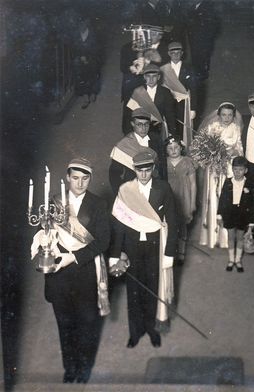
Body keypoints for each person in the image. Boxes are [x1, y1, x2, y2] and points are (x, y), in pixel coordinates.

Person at [32, 158, 110, 383]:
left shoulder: (97, 205)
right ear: (67, 178)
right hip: (59, 275)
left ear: (90, 179)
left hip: (84, 273)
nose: (80, 183)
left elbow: (103, 241)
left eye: (85, 178)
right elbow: (42, 231)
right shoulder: (54, 202)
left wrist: (74, 257)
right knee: (64, 324)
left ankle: (84, 368)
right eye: (75, 178)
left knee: (87, 324)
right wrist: (44, 239)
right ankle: (70, 367)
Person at [109, 149, 178, 349]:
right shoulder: (125, 190)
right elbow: (119, 225)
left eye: (148, 170)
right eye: (140, 171)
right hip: (131, 247)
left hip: (155, 245)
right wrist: (115, 255)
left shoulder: (163, 189)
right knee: (133, 290)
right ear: (134, 170)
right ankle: (135, 332)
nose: (144, 175)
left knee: (153, 288)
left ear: (153, 169)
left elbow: (172, 221)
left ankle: (152, 330)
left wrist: (170, 252)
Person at [198, 102, 244, 249]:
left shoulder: (236, 129)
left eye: (230, 115)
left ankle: (226, 238)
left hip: (229, 168)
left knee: (228, 198)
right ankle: (212, 236)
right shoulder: (212, 128)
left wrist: (233, 153)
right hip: (215, 168)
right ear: (218, 115)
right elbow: (204, 148)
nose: (227, 117)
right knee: (213, 197)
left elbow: (240, 149)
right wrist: (214, 155)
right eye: (224, 114)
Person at [109, 108, 166, 195]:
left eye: (146, 124)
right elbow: (114, 175)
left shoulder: (156, 140)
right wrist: (121, 193)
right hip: (132, 189)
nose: (143, 128)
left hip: (154, 188)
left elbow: (162, 165)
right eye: (139, 124)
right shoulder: (123, 145)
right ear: (132, 124)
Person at [217, 156, 254, 272]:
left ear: (245, 170)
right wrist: (219, 215)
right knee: (230, 237)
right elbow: (222, 199)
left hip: (243, 214)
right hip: (230, 213)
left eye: (240, 169)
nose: (237, 172)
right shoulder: (228, 182)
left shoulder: (249, 184)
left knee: (240, 237)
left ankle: (238, 260)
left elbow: (252, 204)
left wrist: (251, 222)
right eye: (235, 169)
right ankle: (231, 259)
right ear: (232, 169)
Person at [165, 136, 197, 264]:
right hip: (169, 198)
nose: (173, 150)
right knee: (169, 224)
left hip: (184, 197)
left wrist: (193, 203)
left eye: (176, 147)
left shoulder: (187, 162)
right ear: (166, 150)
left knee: (182, 225)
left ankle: (181, 253)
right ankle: (170, 252)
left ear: (181, 148)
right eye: (170, 148)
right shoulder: (163, 162)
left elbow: (193, 184)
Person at [160, 41, 198, 144]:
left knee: (184, 129)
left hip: (184, 104)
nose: (176, 55)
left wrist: (193, 109)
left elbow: (194, 89)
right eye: (173, 53)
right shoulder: (163, 69)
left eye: (178, 52)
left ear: (182, 53)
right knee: (170, 128)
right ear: (169, 53)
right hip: (168, 104)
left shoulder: (189, 68)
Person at [127, 63, 177, 137]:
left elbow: (170, 114)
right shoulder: (138, 91)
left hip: (158, 128)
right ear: (144, 77)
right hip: (141, 128)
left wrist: (172, 134)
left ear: (158, 77)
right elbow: (131, 114)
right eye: (148, 76)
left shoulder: (165, 92)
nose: (151, 79)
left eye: (154, 76)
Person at [72, 18, 102, 109]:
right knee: (81, 75)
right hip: (81, 58)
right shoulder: (76, 35)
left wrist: (88, 57)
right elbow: (75, 48)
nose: (81, 26)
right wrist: (81, 56)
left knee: (93, 73)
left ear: (86, 24)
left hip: (92, 57)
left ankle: (93, 93)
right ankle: (85, 97)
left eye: (83, 24)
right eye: (79, 25)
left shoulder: (93, 35)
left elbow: (96, 49)